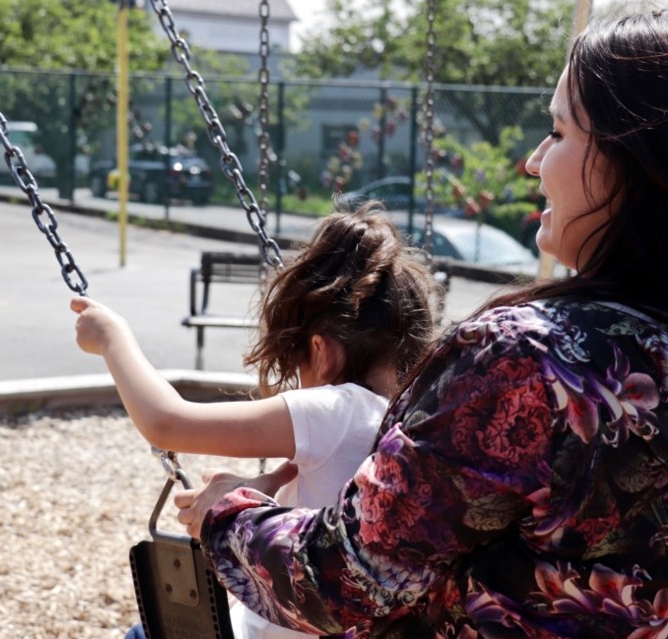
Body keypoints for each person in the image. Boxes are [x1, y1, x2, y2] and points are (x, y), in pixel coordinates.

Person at [171, 4, 668, 638]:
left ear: (638, 165)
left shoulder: (533, 361)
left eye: (558, 131)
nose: (533, 160)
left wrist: (228, 513)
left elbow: (342, 580)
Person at [72, 204, 443, 639]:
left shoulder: (339, 408)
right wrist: (257, 492)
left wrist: (112, 338)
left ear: (322, 353)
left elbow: (167, 422)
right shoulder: (414, 420)